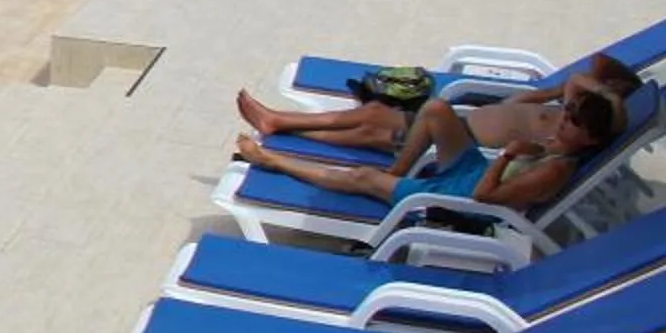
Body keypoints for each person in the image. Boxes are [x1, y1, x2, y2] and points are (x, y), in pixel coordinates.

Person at [233, 84, 623, 215]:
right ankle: (395, 174)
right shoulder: (564, 144)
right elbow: (598, 97)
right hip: (471, 168)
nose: (564, 118)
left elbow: (488, 197)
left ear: (590, 138)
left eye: (573, 120)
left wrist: (508, 154)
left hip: (462, 194)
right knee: (435, 108)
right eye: (568, 111)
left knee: (362, 174)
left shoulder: (556, 168)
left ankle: (269, 157)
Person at [234, 56, 635, 175]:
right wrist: (588, 93)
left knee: (374, 122)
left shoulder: (589, 126)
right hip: (461, 126)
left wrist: (606, 93)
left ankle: (279, 123)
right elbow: (590, 71)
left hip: (459, 143)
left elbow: (596, 78)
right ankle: (282, 124)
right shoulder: (574, 111)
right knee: (372, 122)